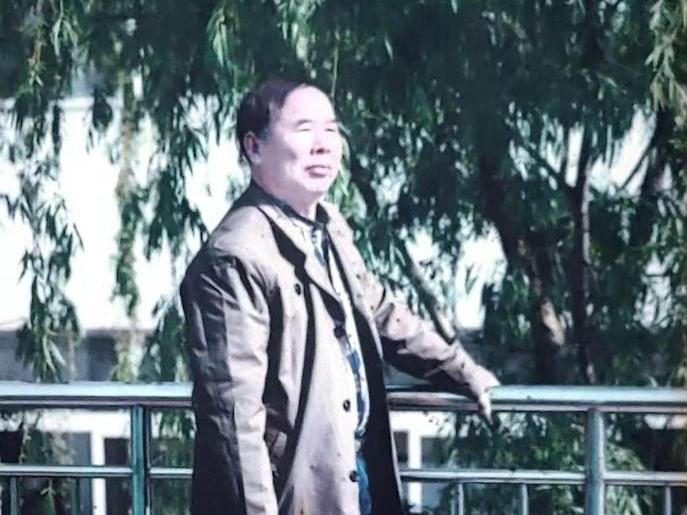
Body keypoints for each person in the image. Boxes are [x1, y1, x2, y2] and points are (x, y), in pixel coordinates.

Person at [180, 78, 500, 515]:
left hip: (349, 475)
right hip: (292, 492)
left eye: (331, 129)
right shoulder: (235, 256)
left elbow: (382, 314)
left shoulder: (327, 227)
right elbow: (235, 421)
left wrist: (462, 371)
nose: (324, 145)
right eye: (304, 129)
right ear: (254, 147)